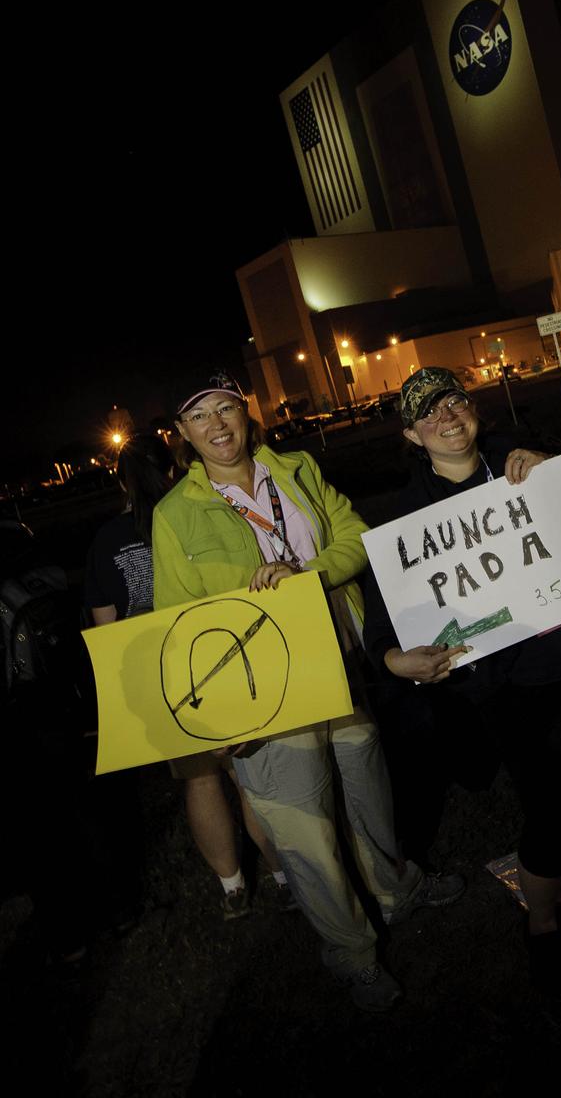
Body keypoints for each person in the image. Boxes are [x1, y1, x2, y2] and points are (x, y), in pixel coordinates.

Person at [151, 369, 463, 1011]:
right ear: (182, 434)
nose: (217, 425)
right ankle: (352, 953)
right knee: (304, 827)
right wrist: (226, 719)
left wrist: (304, 573)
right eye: (200, 416)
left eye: (226, 410)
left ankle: (394, 891)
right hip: (265, 692)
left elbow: (353, 538)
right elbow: (177, 623)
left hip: (341, 664)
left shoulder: (294, 469)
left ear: (245, 413)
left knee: (367, 786)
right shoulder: (174, 515)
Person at [363, 367, 561, 992]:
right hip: (508, 688)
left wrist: (551, 470)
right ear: (410, 434)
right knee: (554, 824)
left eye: (454, 401)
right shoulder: (405, 523)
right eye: (428, 414)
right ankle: (540, 925)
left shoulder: (526, 466)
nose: (447, 417)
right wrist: (395, 661)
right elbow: (381, 629)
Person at [86, 432, 286, 922]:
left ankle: (232, 886)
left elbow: (106, 626)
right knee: (250, 776)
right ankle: (286, 874)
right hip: (224, 653)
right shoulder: (190, 513)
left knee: (199, 781)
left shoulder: (107, 540)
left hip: (165, 671)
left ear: (121, 480)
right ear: (176, 465)